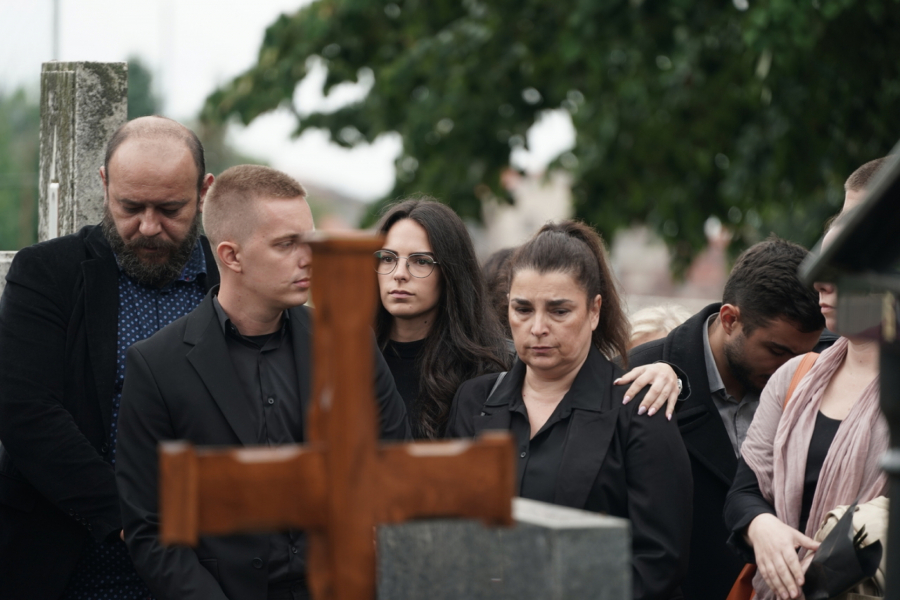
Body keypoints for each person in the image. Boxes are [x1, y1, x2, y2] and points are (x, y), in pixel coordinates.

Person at [116, 165, 410, 600]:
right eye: (287, 244)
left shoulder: (348, 343)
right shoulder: (158, 365)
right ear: (231, 256)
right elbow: (149, 527)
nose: (308, 257)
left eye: (309, 241)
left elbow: (395, 467)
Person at [0, 116, 217, 599]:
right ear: (104, 184)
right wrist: (133, 521)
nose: (148, 227)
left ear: (204, 192)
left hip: (205, 570)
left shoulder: (231, 282)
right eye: (130, 206)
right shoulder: (47, 274)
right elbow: (26, 412)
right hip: (64, 562)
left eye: (170, 209)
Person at [447, 221, 692, 600]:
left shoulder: (638, 409)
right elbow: (452, 529)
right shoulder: (474, 402)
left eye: (559, 311)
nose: (538, 327)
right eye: (523, 309)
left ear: (594, 311)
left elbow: (658, 561)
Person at [376, 200, 685, 438]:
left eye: (420, 261)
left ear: (452, 271)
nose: (399, 274)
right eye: (387, 258)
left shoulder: (497, 369)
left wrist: (668, 373)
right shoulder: (350, 358)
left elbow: (589, 388)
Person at [627, 237, 826, 600]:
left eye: (804, 355)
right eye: (777, 351)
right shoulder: (639, 374)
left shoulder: (821, 373)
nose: (791, 370)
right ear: (730, 319)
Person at [723, 213, 888, 600]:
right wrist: (761, 526)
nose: (820, 280)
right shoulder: (797, 375)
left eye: (841, 265)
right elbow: (743, 494)